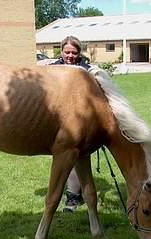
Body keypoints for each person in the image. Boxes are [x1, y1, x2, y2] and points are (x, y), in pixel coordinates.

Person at [51, 36, 90, 212]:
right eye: (67, 52)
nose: (70, 56)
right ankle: (76, 195)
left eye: (74, 53)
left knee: (77, 160)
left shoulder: (86, 71)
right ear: (62, 52)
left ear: (79, 53)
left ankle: (73, 198)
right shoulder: (54, 69)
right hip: (60, 123)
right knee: (70, 160)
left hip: (83, 123)